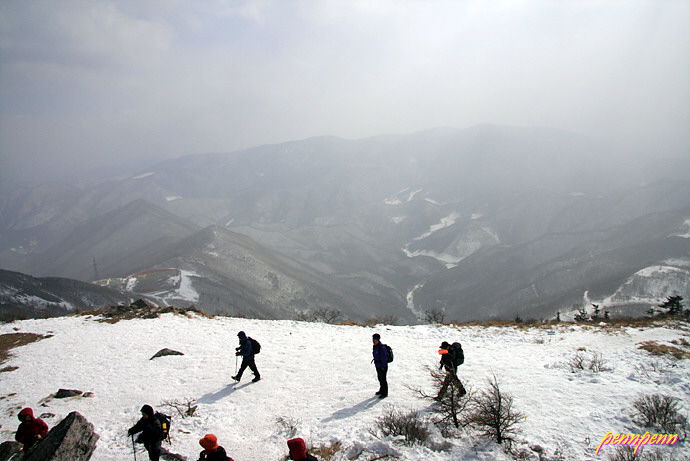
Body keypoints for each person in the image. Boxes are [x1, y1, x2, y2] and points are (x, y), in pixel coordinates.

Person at [371, 333, 389, 399]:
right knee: (380, 378)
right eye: (373, 339)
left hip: (382, 366)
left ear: (378, 340)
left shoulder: (382, 348)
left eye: (375, 339)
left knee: (383, 379)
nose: (373, 341)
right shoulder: (375, 347)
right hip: (378, 365)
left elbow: (384, 358)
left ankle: (385, 393)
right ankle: (381, 390)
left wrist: (383, 367)